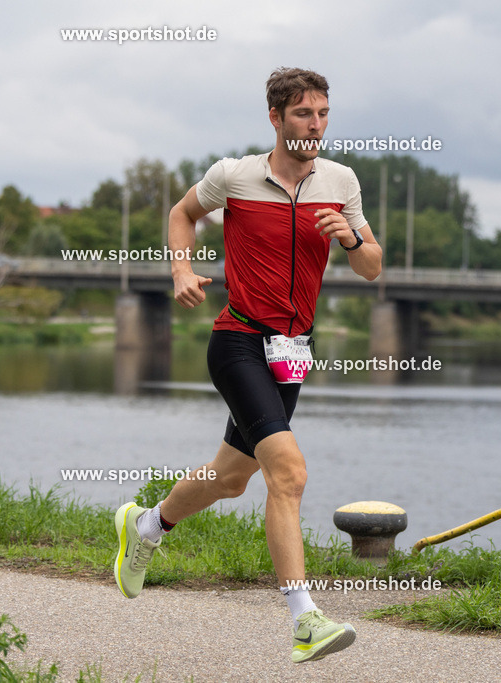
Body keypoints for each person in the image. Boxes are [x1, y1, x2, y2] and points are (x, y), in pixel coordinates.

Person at [113, 67, 382, 663]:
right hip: (238, 343)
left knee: (231, 479)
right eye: (303, 115)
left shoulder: (341, 181)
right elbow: (182, 215)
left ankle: (147, 526)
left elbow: (373, 267)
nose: (315, 126)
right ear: (276, 118)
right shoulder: (234, 176)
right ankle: (304, 619)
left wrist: (351, 239)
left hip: (293, 353)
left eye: (323, 114)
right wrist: (182, 271)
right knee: (287, 473)